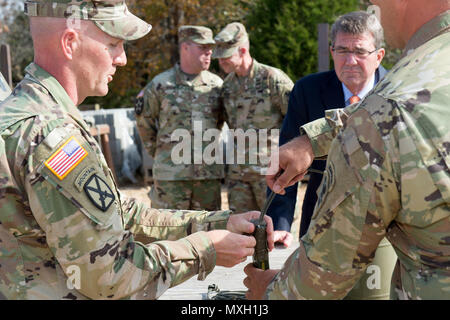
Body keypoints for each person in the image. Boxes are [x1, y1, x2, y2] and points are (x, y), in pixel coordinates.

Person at [0, 0, 275, 300]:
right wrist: (205, 249)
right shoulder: (51, 138)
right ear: (70, 43)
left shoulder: (22, 115)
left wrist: (217, 224)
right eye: (114, 44)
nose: (123, 59)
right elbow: (111, 278)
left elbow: (118, 215)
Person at [244, 0, 450, 300]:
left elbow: (319, 283)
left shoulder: (392, 105)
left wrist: (269, 292)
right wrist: (313, 140)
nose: (374, 4)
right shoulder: (413, 87)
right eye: (342, 51)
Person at [267, 11, 387, 236]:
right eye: (342, 50)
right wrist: (279, 225)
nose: (350, 61)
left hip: (385, 223)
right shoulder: (307, 91)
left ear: (379, 56)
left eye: (360, 51)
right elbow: (286, 162)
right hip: (321, 220)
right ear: (332, 51)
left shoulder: (396, 93)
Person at [135, 25, 225, 211]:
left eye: (210, 48)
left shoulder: (217, 85)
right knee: (168, 233)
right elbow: (145, 125)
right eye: (202, 47)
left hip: (206, 179)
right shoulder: (160, 85)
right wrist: (164, 155)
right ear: (185, 47)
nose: (209, 53)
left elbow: (221, 121)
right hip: (171, 179)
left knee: (209, 234)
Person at [213, 22, 294, 215]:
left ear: (242, 50)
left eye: (226, 57)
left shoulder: (272, 79)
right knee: (243, 234)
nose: (221, 62)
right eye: (219, 57)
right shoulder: (228, 86)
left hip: (269, 174)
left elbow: (296, 121)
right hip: (238, 177)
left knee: (274, 232)